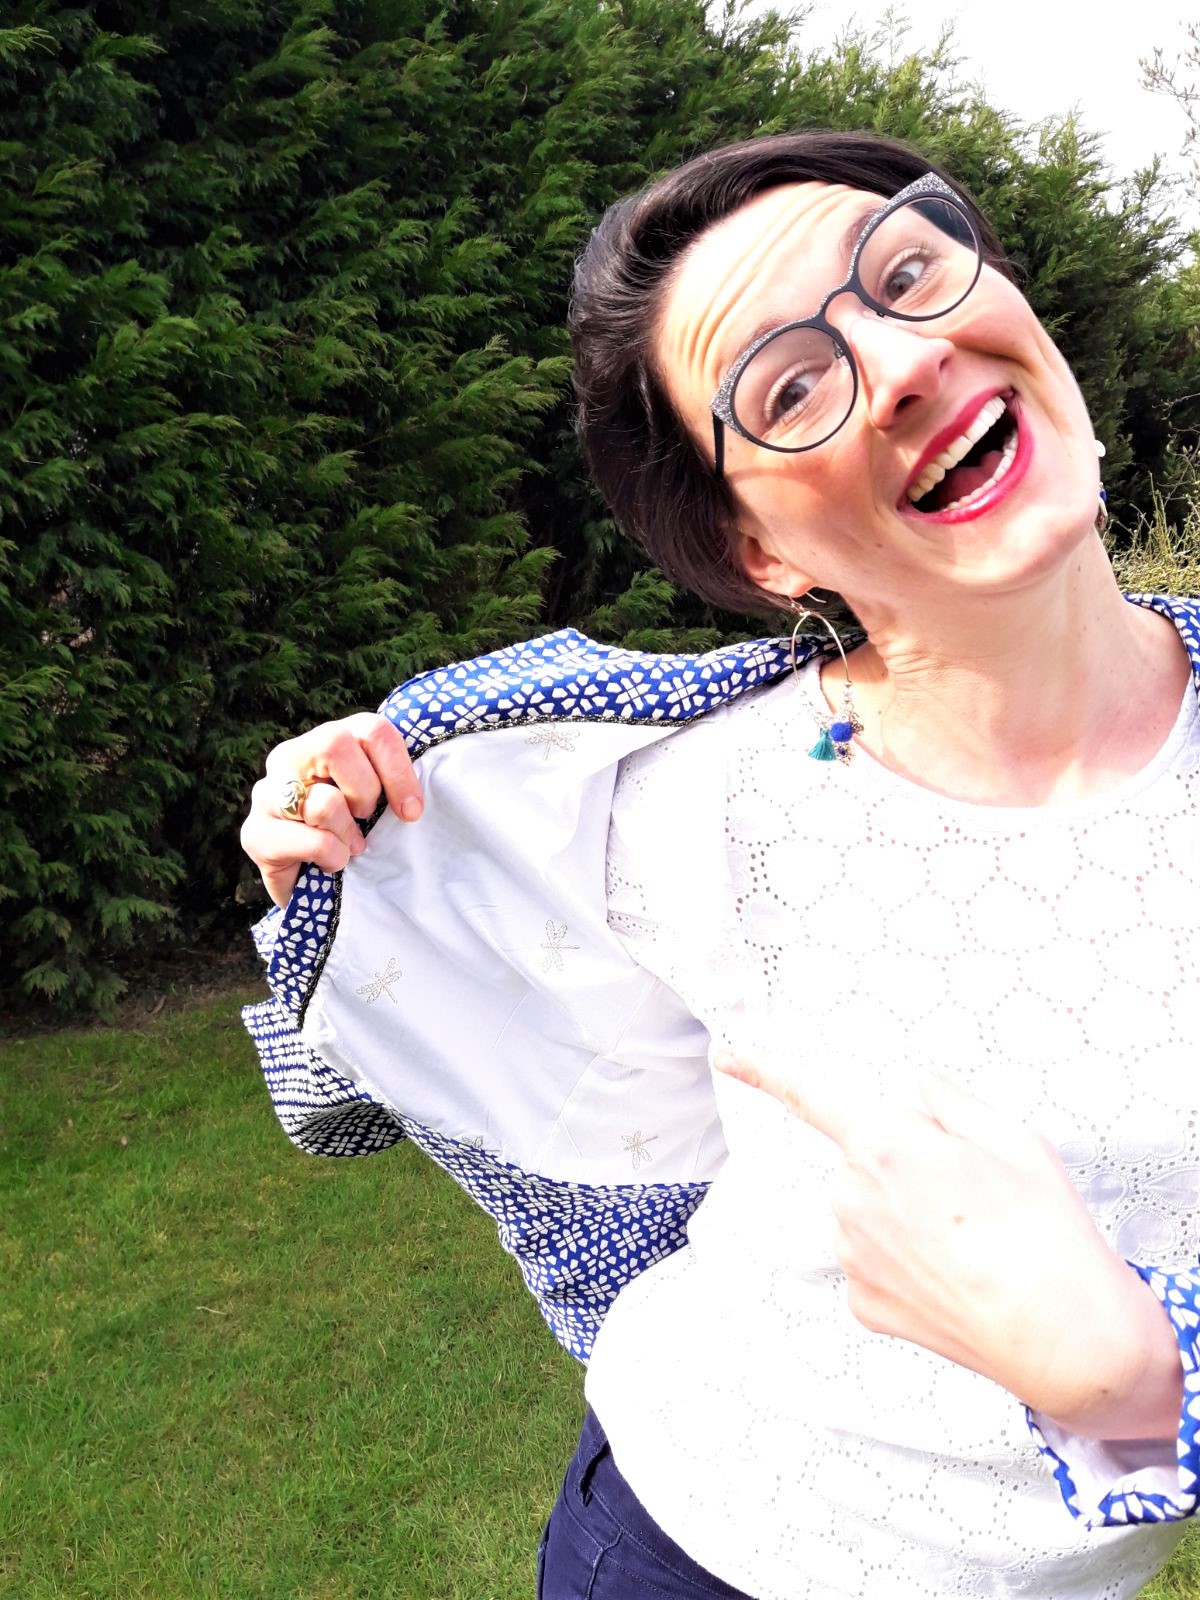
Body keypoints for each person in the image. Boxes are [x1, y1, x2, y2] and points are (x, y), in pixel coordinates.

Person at [239, 132, 1200, 1598]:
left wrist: (1136, 1396)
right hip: (680, 1540)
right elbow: (341, 1096)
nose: (904, 363)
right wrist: (346, 876)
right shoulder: (679, 800)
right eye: (791, 386)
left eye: (910, 273)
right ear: (761, 553)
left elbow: (1132, 1411)